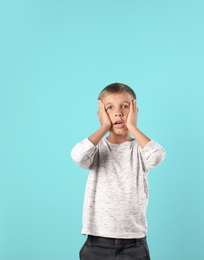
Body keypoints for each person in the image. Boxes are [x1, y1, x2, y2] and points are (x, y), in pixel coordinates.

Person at [71, 83, 166, 260]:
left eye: (125, 106)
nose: (118, 112)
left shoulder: (140, 150)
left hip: (134, 244)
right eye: (109, 108)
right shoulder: (96, 149)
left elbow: (157, 156)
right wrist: (103, 127)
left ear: (135, 111)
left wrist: (133, 127)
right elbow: (77, 155)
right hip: (97, 242)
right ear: (100, 113)